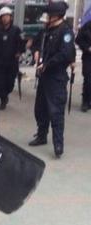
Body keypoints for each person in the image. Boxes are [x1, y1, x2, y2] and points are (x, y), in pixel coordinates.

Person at [28, 2, 75, 158]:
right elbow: (34, 45)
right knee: (40, 109)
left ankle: (58, 143)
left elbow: (66, 54)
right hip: (43, 76)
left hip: (56, 78)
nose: (47, 17)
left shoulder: (65, 32)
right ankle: (41, 135)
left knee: (56, 112)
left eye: (49, 14)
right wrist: (35, 52)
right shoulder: (45, 31)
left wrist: (47, 64)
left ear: (56, 15)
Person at [0, 6, 25, 110]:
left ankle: (6, 94)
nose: (5, 18)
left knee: (9, 83)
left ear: (10, 17)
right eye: (3, 17)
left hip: (12, 62)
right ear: (0, 18)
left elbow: (22, 43)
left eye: (7, 16)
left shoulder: (16, 30)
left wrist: (19, 52)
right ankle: (3, 99)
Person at [75, 19, 91, 112]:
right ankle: (86, 101)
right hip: (88, 57)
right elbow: (78, 39)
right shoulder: (87, 26)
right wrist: (87, 48)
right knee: (88, 79)